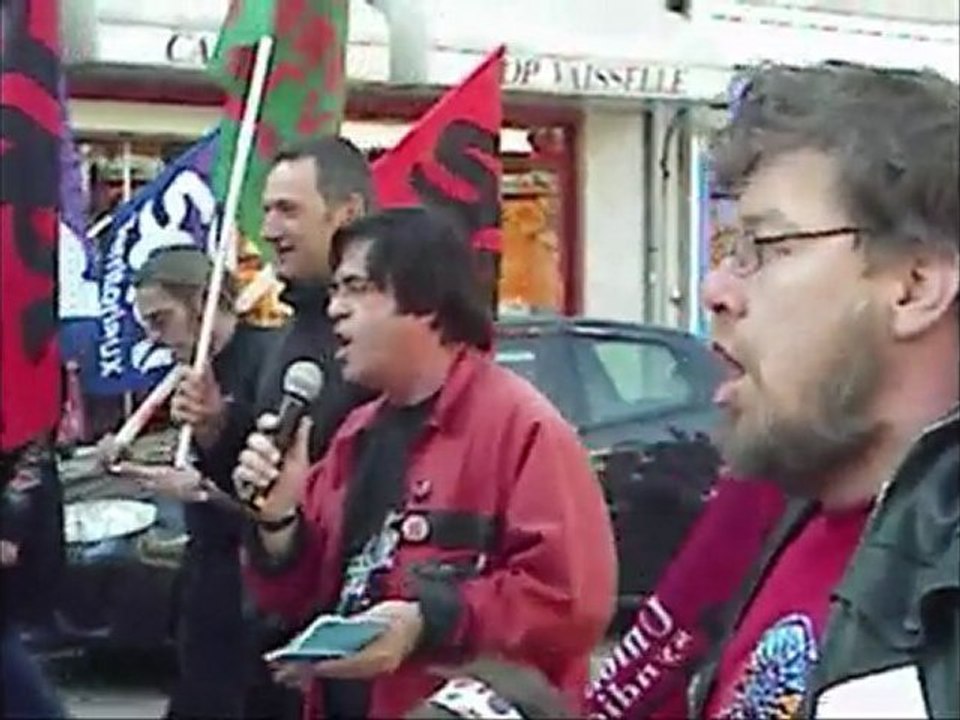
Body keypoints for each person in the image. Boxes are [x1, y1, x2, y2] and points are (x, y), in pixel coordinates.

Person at [233, 207, 617, 718]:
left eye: (355, 288)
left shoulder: (522, 428)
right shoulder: (356, 434)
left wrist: (427, 622)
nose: (335, 310)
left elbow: (570, 604)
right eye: (334, 291)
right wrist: (279, 523)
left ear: (425, 303)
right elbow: (299, 596)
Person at [686, 62, 959, 718]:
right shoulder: (805, 510)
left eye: (765, 245)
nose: (716, 290)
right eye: (728, 247)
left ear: (914, 286)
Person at [105, 245, 279, 719]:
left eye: (161, 320)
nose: (156, 339)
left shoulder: (271, 358)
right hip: (205, 582)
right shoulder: (192, 371)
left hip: (255, 589)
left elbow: (286, 498)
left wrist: (204, 488)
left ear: (202, 303)